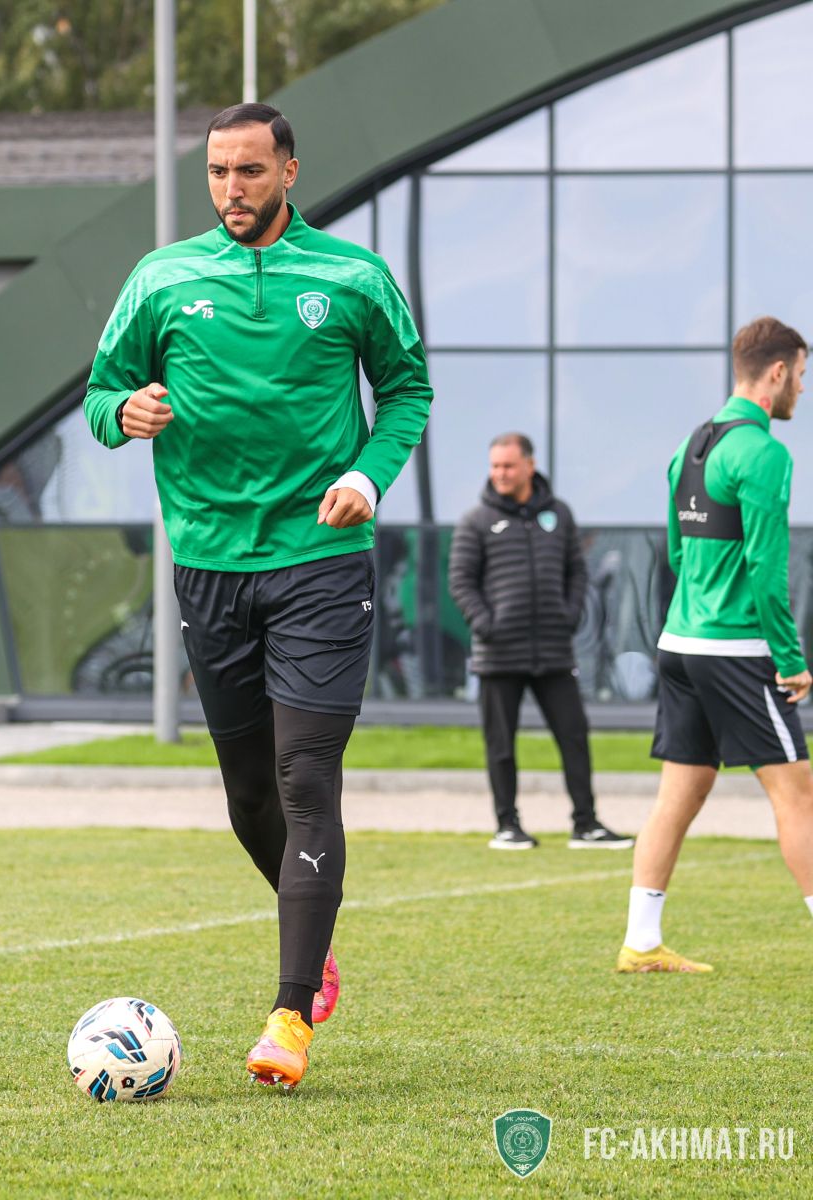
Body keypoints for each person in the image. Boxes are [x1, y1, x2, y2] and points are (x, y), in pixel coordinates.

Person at [84, 103, 432, 1088]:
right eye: (217, 172)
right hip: (208, 563)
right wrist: (126, 410)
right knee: (248, 796)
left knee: (305, 776)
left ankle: (289, 1012)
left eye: (249, 170)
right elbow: (99, 396)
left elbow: (407, 390)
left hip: (320, 557)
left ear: (288, 171)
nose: (231, 189)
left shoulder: (354, 277)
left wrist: (368, 475)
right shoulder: (161, 278)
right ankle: (312, 939)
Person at [618, 317, 813, 973]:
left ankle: (641, 942)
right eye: (802, 375)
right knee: (798, 795)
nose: (802, 389)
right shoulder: (764, 452)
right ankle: (641, 943)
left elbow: (677, 553)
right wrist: (791, 660)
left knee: (680, 794)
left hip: (681, 643)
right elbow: (767, 569)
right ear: (778, 372)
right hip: (737, 651)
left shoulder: (690, 445)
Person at [448, 433, 632, 850]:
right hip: (498, 655)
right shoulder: (476, 520)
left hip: (553, 650)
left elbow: (577, 571)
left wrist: (569, 616)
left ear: (529, 466)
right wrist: (487, 625)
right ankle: (507, 826)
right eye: (495, 466)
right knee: (501, 745)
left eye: (508, 466)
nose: (500, 473)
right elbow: (460, 582)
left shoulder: (559, 514)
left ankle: (586, 825)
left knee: (574, 736)